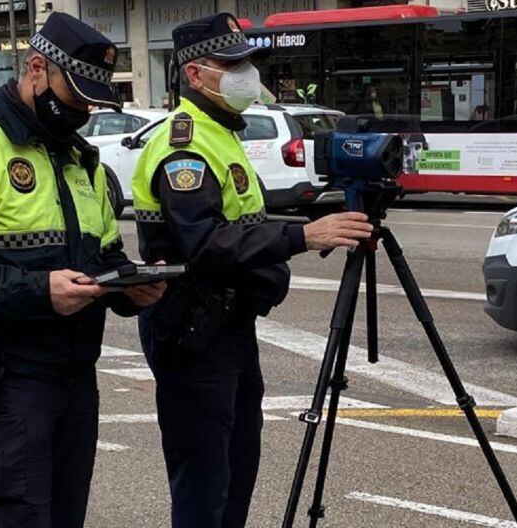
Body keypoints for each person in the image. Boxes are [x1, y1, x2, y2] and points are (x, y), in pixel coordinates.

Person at [0, 12, 164, 528]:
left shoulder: (80, 160)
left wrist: (128, 286)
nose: (85, 109)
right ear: (37, 70)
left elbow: (102, 255)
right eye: (77, 96)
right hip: (7, 381)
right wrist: (38, 291)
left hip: (74, 377)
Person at [131, 12, 375, 528]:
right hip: (193, 331)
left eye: (247, 62)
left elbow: (239, 221)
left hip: (228, 325)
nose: (246, 73)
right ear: (194, 75)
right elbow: (207, 242)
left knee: (237, 466)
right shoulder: (185, 144)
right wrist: (301, 237)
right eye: (231, 63)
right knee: (205, 483)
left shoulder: (220, 132)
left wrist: (309, 224)